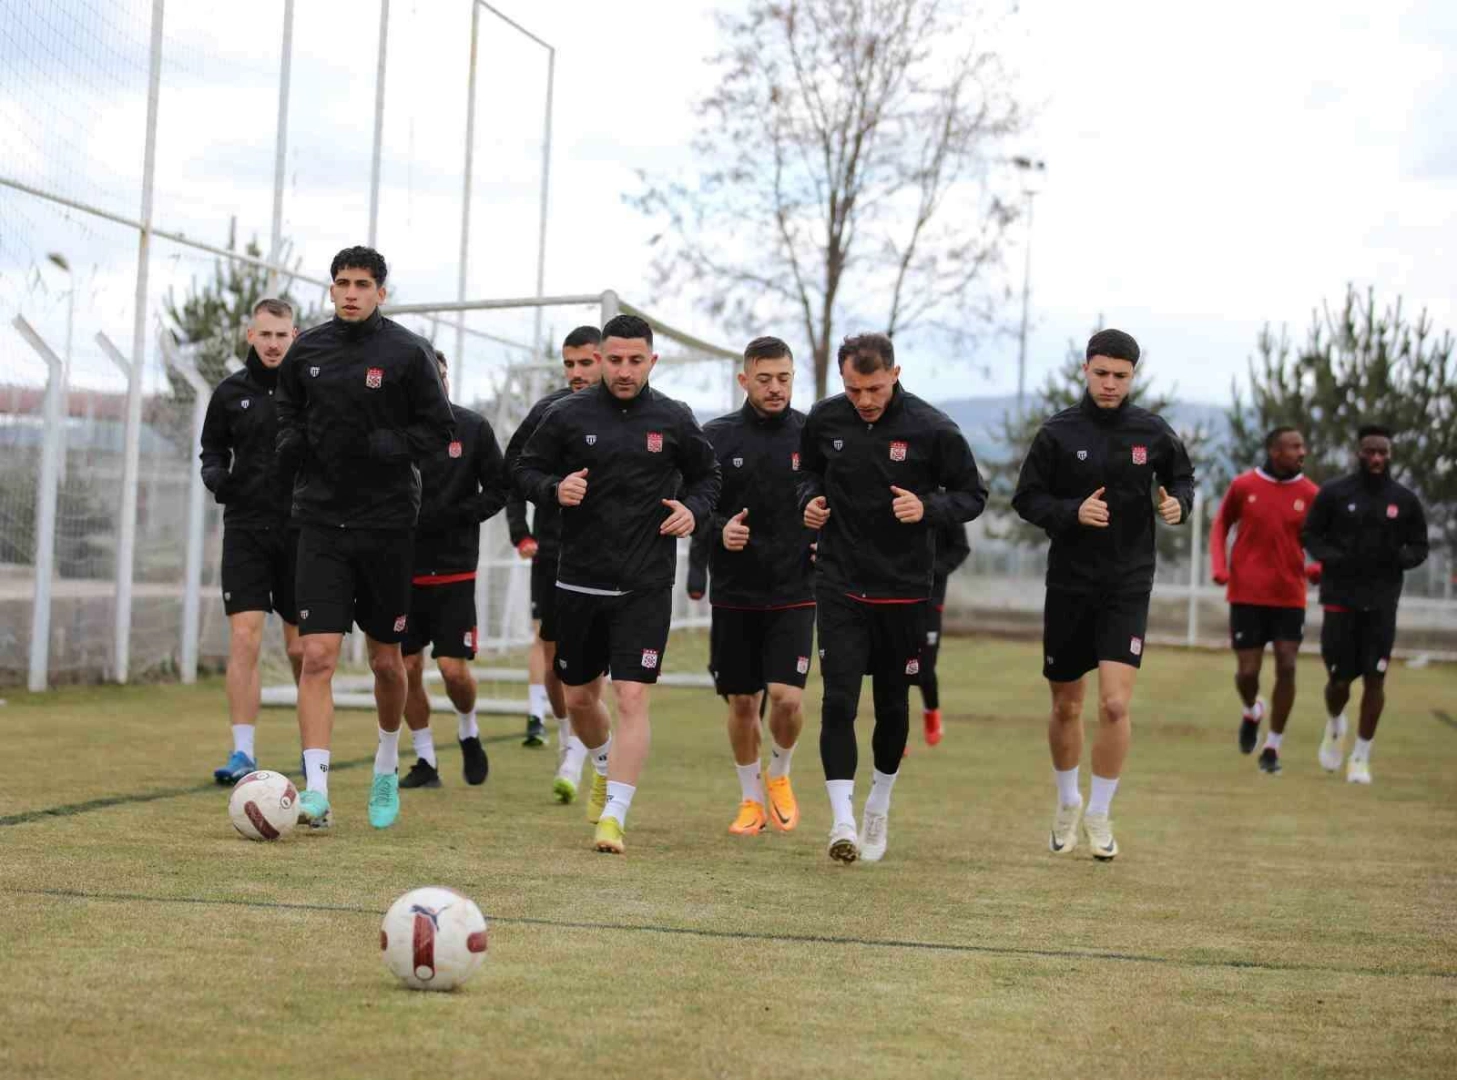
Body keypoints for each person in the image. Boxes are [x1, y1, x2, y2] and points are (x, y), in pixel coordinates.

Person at [516, 313, 721, 854]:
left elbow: (709, 476)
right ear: (600, 359)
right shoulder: (566, 415)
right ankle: (604, 765)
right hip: (579, 582)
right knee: (580, 699)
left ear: (653, 361)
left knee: (631, 696)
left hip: (645, 584)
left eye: (635, 360)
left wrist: (694, 510)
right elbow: (524, 470)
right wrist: (554, 488)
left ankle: (615, 815)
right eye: (614, 360)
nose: (624, 370)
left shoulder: (674, 418)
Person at [275, 246, 454, 830]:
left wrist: (391, 446)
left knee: (386, 663)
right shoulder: (307, 350)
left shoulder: (408, 352)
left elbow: (439, 431)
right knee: (316, 656)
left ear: (381, 292)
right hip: (321, 523)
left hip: (386, 527)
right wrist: (291, 445)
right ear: (331, 290)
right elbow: (287, 415)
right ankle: (316, 790)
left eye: (362, 284)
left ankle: (384, 764)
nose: (351, 293)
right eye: (342, 283)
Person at [799, 332, 986, 863]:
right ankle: (841, 822)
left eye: (875, 388)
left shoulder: (933, 429)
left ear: (895, 374)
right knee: (838, 700)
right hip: (839, 582)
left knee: (891, 705)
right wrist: (808, 500)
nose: (864, 399)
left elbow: (972, 495)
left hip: (903, 590)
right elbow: (806, 474)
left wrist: (928, 509)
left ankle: (877, 805)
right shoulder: (824, 419)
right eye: (853, 388)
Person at [1012, 328, 1194, 861]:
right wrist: (1073, 512)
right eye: (1101, 373)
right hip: (1070, 583)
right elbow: (1027, 499)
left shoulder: (1152, 432)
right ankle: (1068, 800)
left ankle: (1100, 811)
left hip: (1127, 583)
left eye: (1120, 375)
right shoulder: (1057, 432)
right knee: (1067, 704)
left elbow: (1183, 479)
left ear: (1133, 376)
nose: (1110, 383)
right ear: (1085, 370)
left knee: (1114, 704)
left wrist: (1178, 504)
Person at [697, 336, 816, 836]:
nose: (775, 388)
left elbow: (839, 500)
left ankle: (780, 773)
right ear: (744, 380)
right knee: (743, 703)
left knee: (787, 698)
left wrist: (825, 537)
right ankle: (749, 799)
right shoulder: (716, 437)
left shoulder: (813, 435)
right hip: (735, 593)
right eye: (764, 379)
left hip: (795, 589)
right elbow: (694, 507)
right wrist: (719, 529)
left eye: (783, 378)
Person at [199, 298, 303, 783]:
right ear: (251, 335)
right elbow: (212, 451)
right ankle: (242, 751)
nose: (273, 344)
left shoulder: (311, 391)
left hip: (302, 531)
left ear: (294, 336)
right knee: (244, 638)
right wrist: (219, 479)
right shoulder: (229, 393)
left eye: (281, 335)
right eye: (266, 334)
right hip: (245, 530)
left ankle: (311, 746)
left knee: (303, 651)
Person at [398, 351, 508, 790]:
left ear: (447, 379)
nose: (434, 383)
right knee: (406, 666)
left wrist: (460, 516)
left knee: (452, 669)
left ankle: (468, 730)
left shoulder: (473, 428)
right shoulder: (393, 430)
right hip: (400, 570)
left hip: (454, 570)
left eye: (439, 375)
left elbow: (500, 488)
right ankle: (425, 759)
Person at [505, 326, 603, 799]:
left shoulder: (634, 415)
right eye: (569, 364)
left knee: (591, 660)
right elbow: (513, 470)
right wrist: (520, 531)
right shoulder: (549, 411)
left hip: (607, 558)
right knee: (551, 652)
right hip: (553, 553)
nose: (577, 372)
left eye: (586, 362)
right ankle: (567, 738)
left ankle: (583, 755)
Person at [1301, 425, 1428, 784]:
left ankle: (1360, 756)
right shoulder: (1334, 493)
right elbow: (1310, 534)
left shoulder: (1404, 500)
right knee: (1339, 681)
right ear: (1358, 453)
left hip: (1382, 602)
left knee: (1375, 679)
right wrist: (1334, 559)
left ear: (1390, 455)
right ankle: (1335, 723)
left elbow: (1420, 546)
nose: (1376, 458)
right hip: (1340, 599)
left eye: (1382, 452)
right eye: (1370, 451)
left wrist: (1398, 559)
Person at [1208, 427, 1320, 773]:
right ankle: (1251, 710)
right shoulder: (1244, 485)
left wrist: (1319, 565)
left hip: (1289, 596)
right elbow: (1220, 525)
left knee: (1287, 665)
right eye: (1294, 446)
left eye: (1302, 445)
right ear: (1275, 451)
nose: (1302, 452)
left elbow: (1324, 540)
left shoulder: (1311, 493)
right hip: (1247, 594)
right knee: (1247, 673)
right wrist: (1219, 566)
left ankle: (1272, 746)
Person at [918, 518, 971, 747]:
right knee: (893, 667)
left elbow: (961, 548)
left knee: (925, 669)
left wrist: (934, 570)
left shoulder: (945, 507)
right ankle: (894, 732)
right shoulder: (894, 502)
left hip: (931, 600)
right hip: (895, 595)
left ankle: (931, 713)